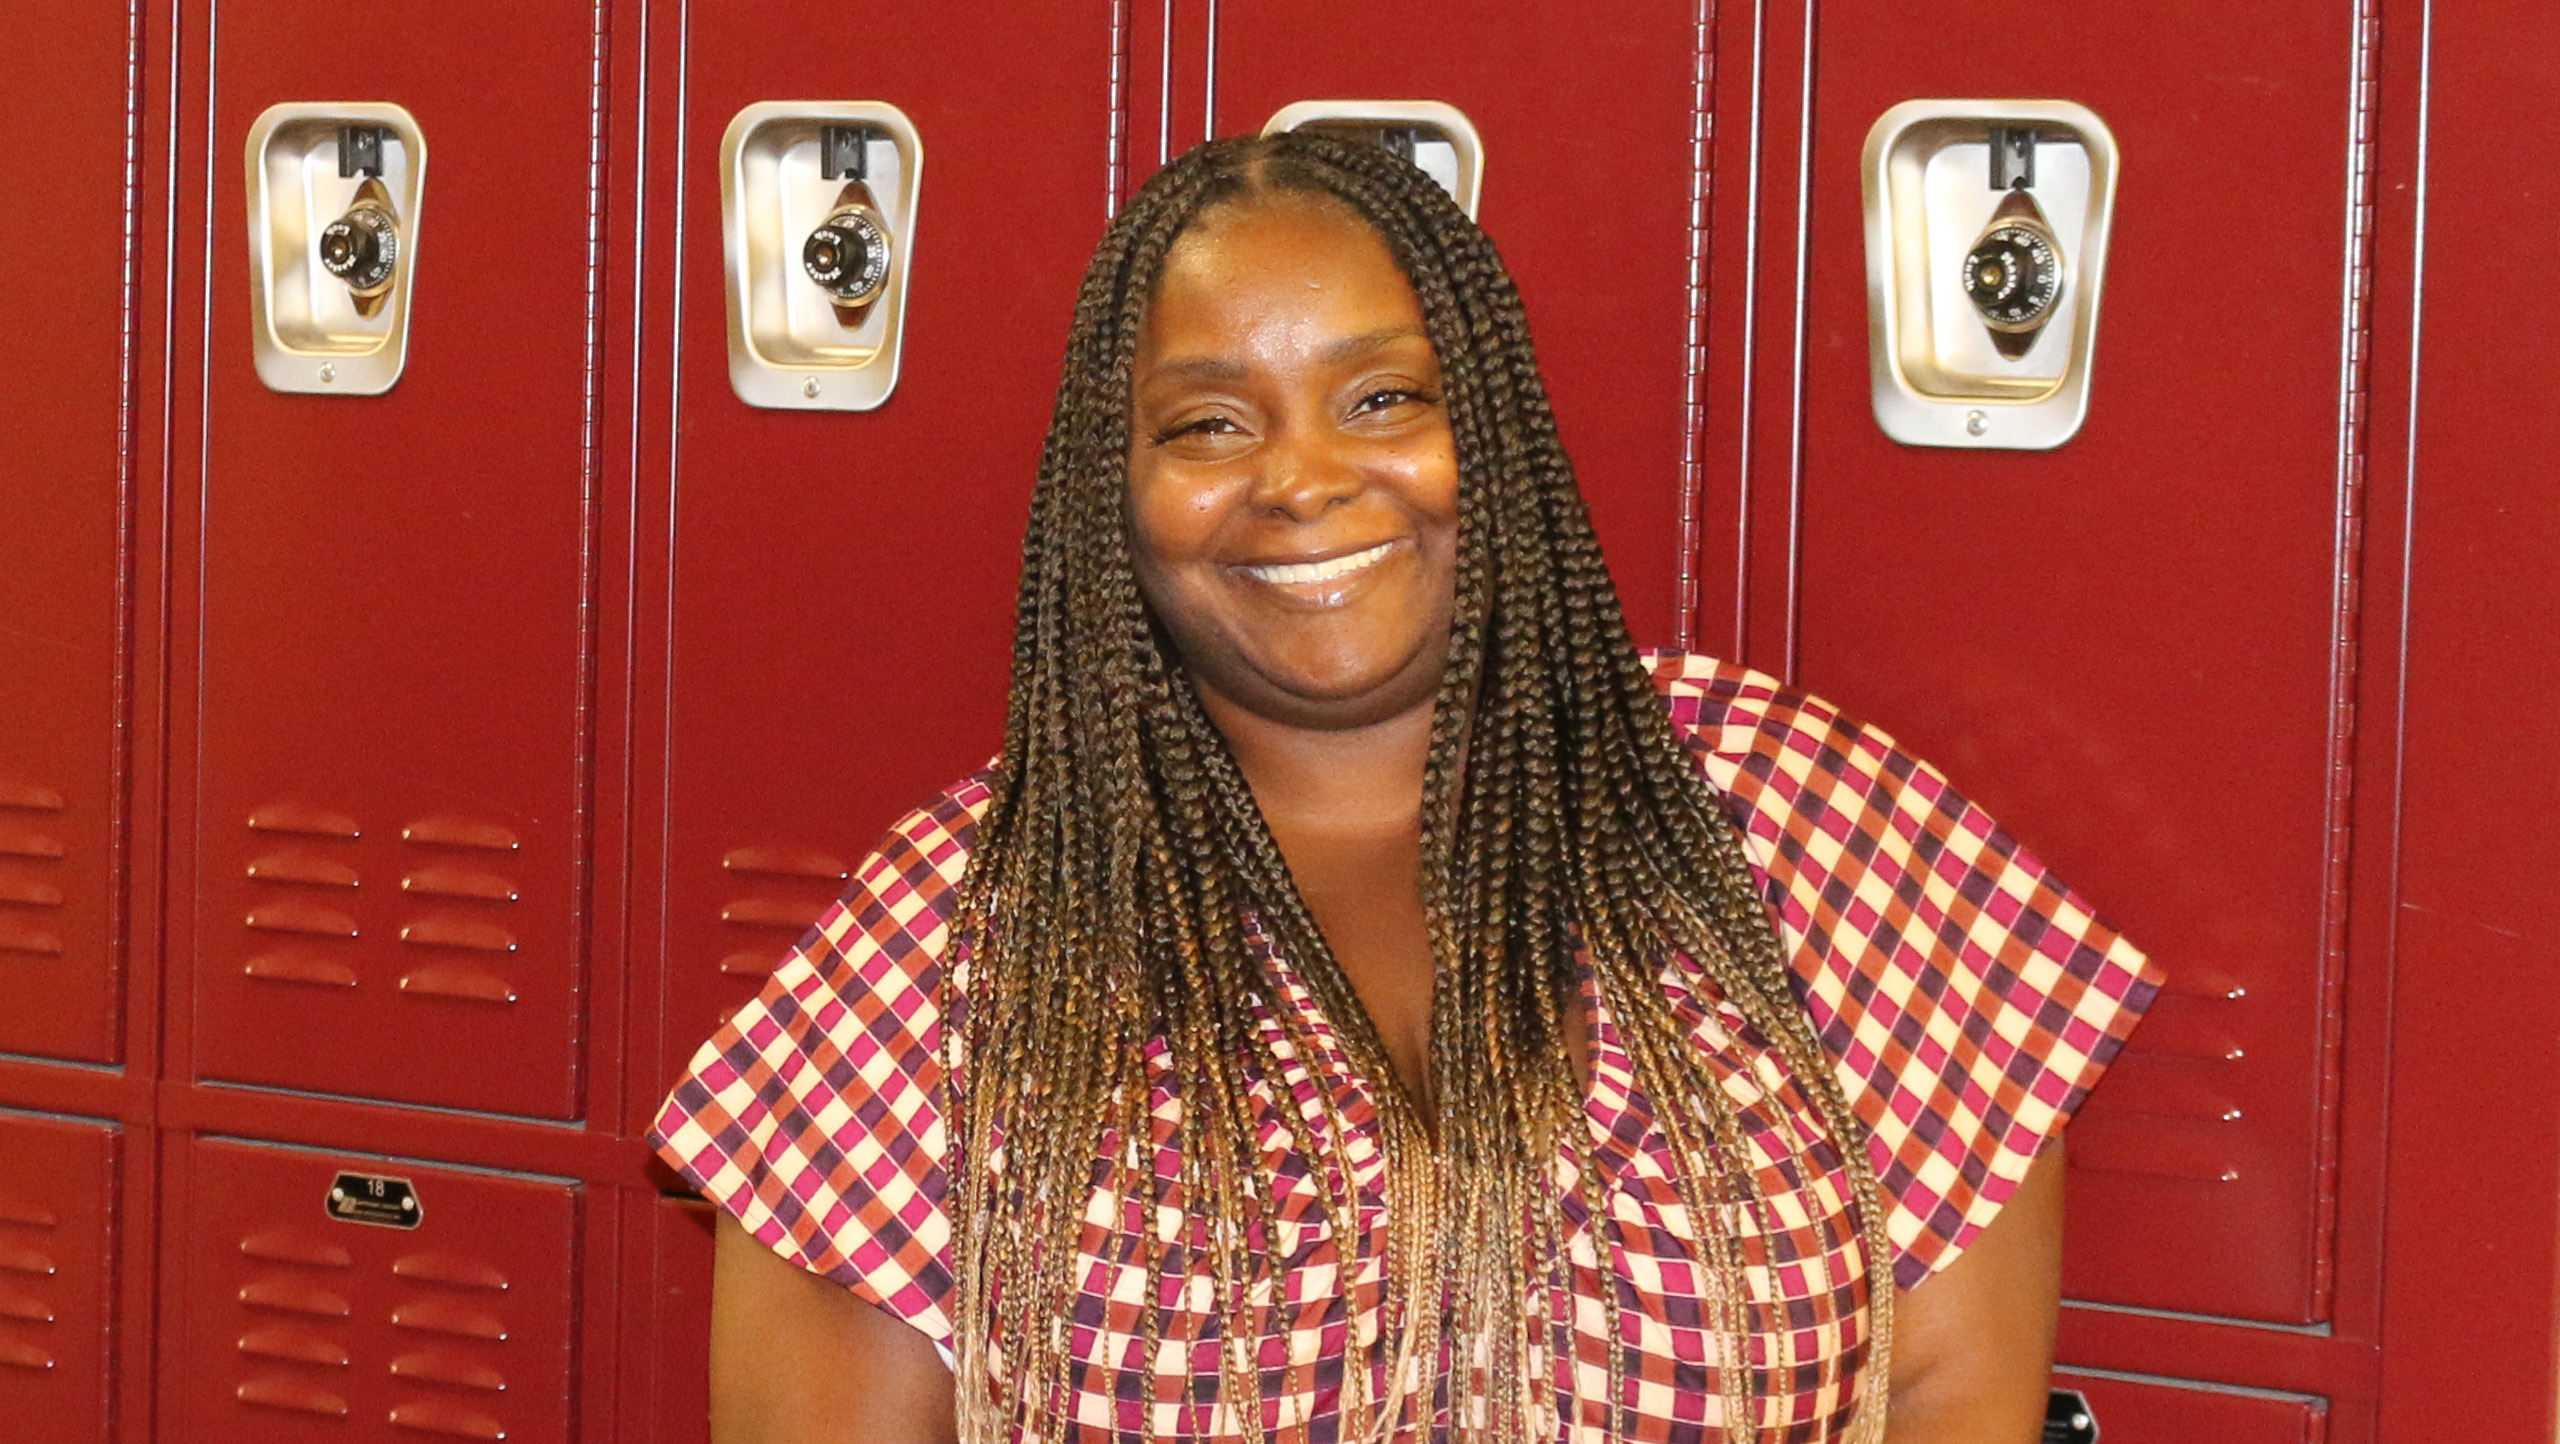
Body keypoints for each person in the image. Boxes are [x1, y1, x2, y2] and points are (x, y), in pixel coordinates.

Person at [651, 132, 2158, 1444]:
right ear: (1113, 493)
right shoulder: (965, 926)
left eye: (1383, 400)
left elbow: (1954, 1398)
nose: (1304, 478)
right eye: (1208, 423)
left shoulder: (1790, 818)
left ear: (1488, 429)